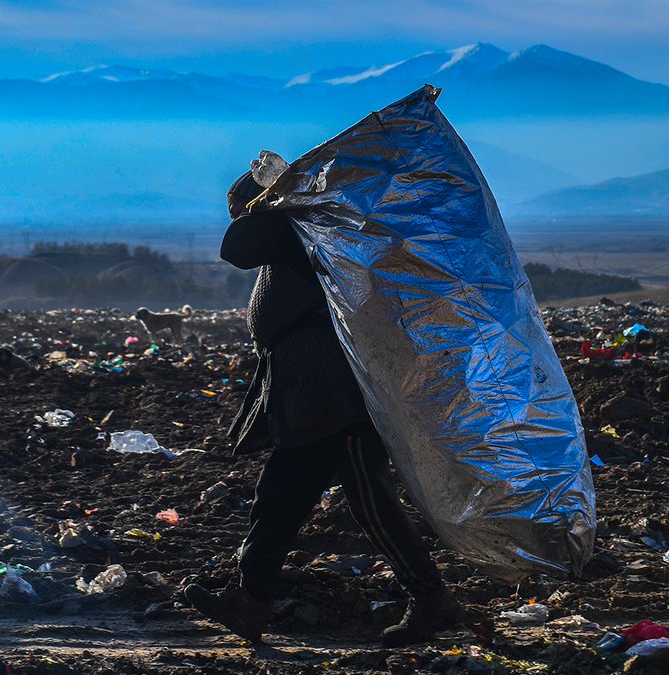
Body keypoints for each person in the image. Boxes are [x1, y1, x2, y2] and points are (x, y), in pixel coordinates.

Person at [183, 170, 464, 647]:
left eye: (242, 211)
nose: (238, 222)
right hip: (308, 399)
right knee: (278, 500)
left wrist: (267, 206)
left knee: (370, 501)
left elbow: (238, 249)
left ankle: (432, 598)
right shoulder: (298, 237)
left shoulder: (297, 231)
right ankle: (251, 600)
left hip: (339, 398)